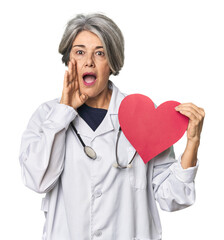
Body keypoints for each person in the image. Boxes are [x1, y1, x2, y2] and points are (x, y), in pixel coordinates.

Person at [19, 13, 205, 240]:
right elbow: (37, 180)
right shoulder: (47, 115)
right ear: (69, 61)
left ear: (112, 63)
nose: (88, 61)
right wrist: (63, 112)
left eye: (100, 53)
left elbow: (172, 198)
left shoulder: (143, 115)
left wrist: (193, 143)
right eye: (79, 52)